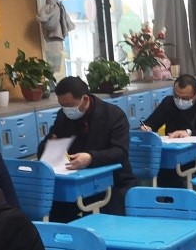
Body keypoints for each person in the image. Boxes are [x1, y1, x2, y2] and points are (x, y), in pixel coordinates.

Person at [40, 76, 133, 221]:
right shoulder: (63, 116)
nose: (66, 110)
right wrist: (50, 145)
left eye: (69, 105)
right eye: (62, 105)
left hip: (113, 182)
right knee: (55, 211)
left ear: (85, 99)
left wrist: (90, 158)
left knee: (108, 216)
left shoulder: (113, 115)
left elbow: (121, 152)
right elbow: (43, 150)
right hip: (74, 181)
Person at [141, 74, 196, 185]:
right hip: (178, 154)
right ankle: (171, 195)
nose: (180, 101)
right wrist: (147, 128)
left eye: (185, 98)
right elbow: (151, 123)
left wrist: (190, 133)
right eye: (176, 96)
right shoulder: (168, 103)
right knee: (162, 170)